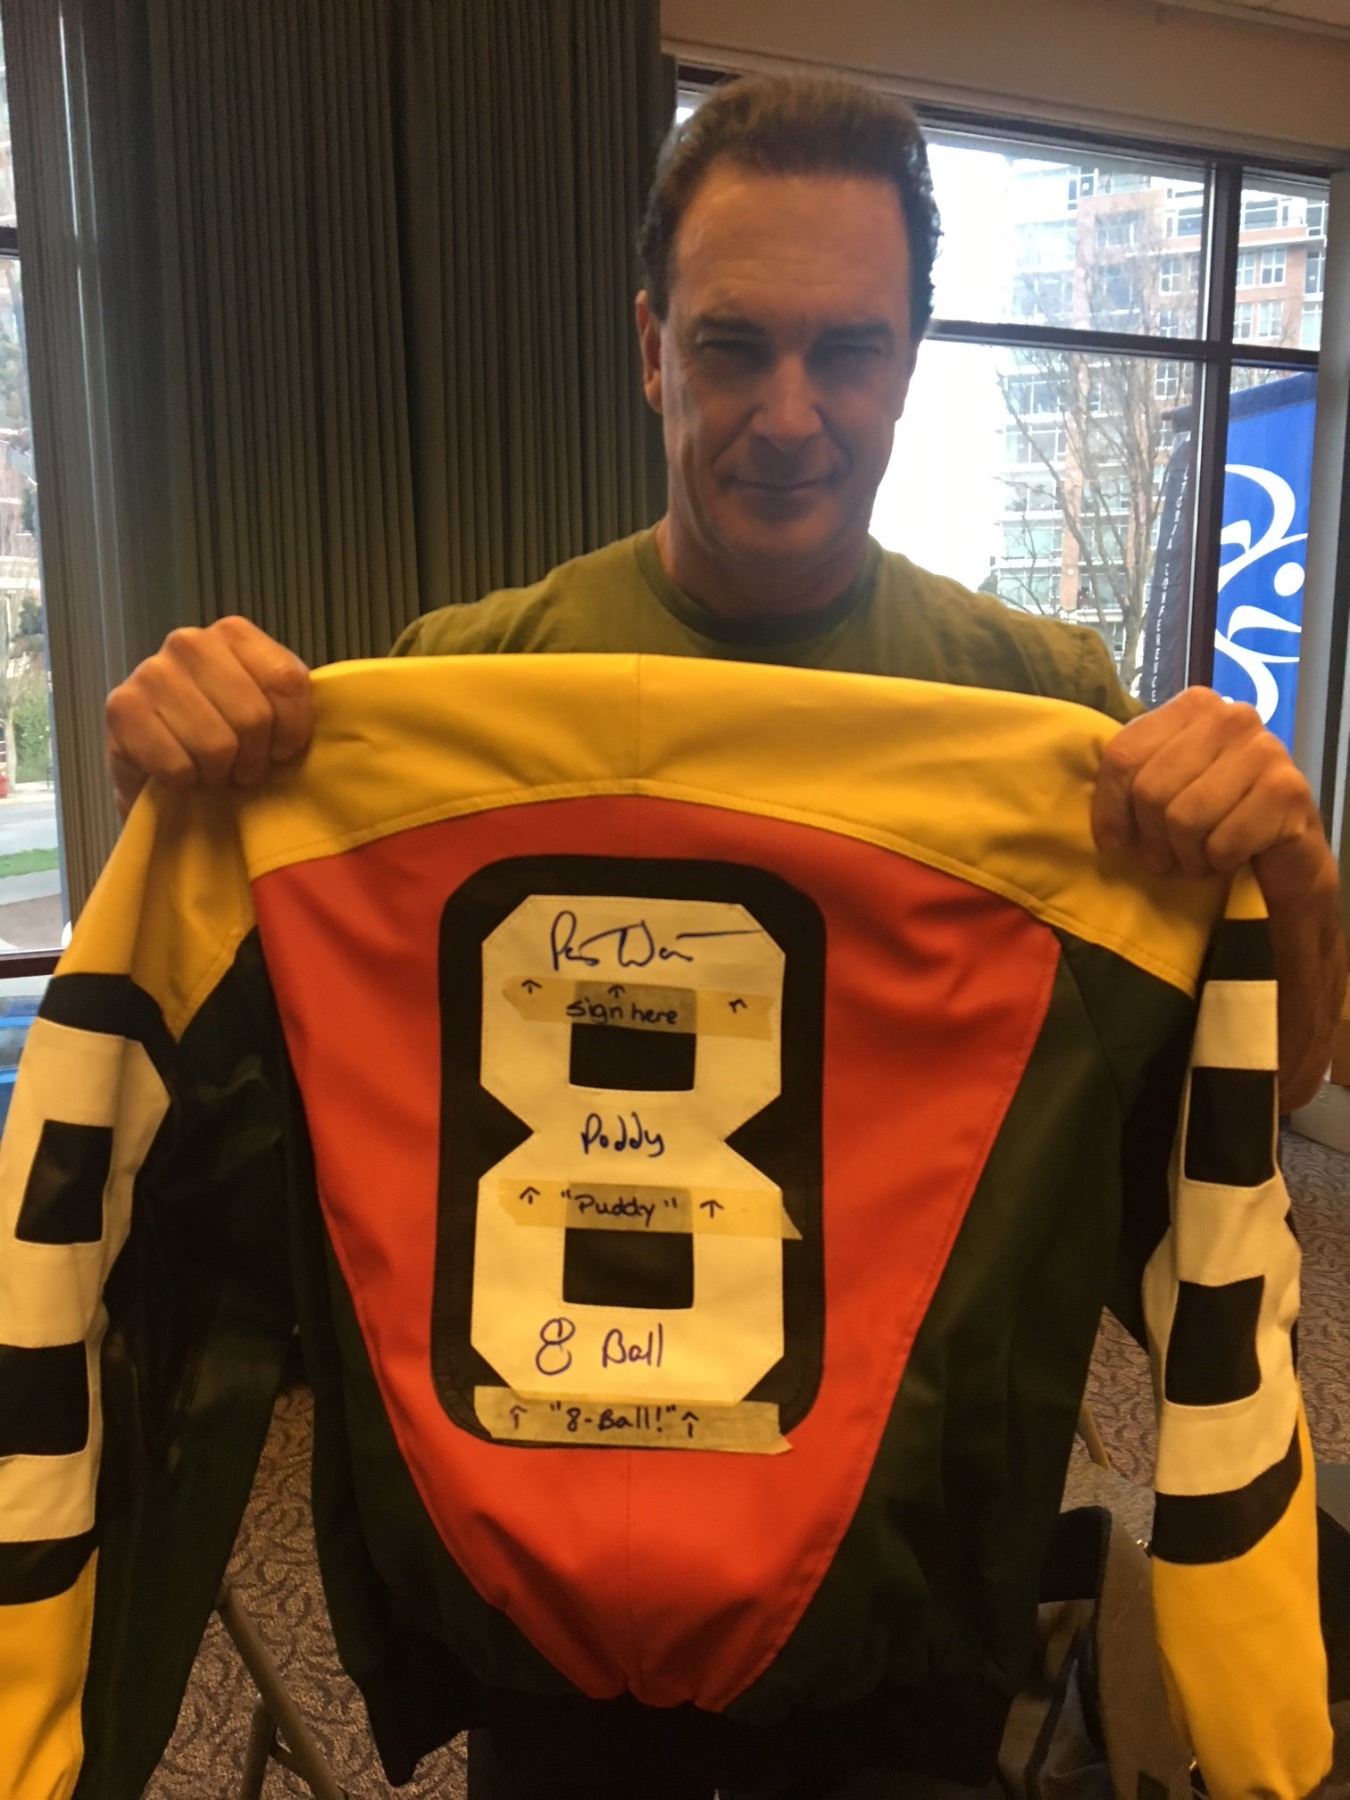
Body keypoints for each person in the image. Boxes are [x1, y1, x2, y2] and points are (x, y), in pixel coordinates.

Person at [101, 75, 1344, 1795]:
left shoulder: (1041, 716)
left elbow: (1251, 1115)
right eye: (732, 344)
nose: (787, 414)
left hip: (904, 1605)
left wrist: (1288, 875)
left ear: (908, 364)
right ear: (649, 348)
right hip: (542, 1595)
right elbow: (259, 1122)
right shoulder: (465, 688)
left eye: (847, 351)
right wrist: (180, 813)